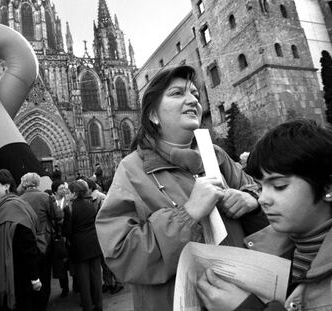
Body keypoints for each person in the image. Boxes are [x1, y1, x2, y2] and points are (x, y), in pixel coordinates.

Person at [95, 65, 268, 311]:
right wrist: (187, 215)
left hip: (242, 299)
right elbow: (121, 255)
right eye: (177, 93)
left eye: (195, 94)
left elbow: (262, 191)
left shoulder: (216, 155)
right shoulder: (132, 170)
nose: (193, 101)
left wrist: (251, 198)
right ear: (153, 114)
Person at [196, 119, 332, 310]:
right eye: (260, 187)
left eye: (279, 186)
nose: (262, 199)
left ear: (328, 187)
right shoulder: (271, 253)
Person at [0, 169, 42, 311]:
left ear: (6, 186)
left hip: (18, 278)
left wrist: (34, 277)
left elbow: (28, 247)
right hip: (2, 277)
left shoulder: (15, 207)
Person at [19, 172, 55, 311]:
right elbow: (57, 215)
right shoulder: (44, 196)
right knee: (45, 275)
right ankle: (42, 305)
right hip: (44, 241)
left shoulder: (19, 199)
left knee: (32, 274)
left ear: (24, 183)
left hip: (26, 242)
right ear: (37, 183)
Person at [66, 180, 103, 311]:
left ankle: (87, 306)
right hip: (93, 243)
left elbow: (68, 230)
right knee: (96, 277)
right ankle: (99, 305)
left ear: (74, 193)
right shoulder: (90, 205)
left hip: (79, 246)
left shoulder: (70, 208)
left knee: (84, 279)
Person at [51, 179, 71, 297]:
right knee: (60, 265)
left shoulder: (68, 200)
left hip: (67, 235)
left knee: (71, 261)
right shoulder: (52, 202)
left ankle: (77, 284)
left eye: (64, 188)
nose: (64, 190)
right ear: (55, 191)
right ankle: (64, 287)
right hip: (57, 237)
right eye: (61, 188)